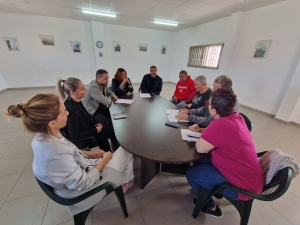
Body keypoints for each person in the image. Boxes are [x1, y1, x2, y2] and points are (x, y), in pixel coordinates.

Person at [6, 93, 135, 216]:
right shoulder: (55, 153)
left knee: (122, 151)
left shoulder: (42, 137)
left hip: (81, 170)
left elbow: (68, 150)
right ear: (52, 123)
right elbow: (84, 182)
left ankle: (125, 179)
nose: (68, 113)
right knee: (128, 149)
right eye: (64, 112)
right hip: (82, 192)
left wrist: (89, 153)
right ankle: (126, 181)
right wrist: (104, 160)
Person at [186, 88, 264, 218]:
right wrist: (202, 130)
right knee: (201, 161)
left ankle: (210, 206)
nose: (207, 105)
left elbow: (200, 148)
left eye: (208, 103)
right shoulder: (237, 117)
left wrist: (203, 132)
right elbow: (223, 136)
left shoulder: (219, 124)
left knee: (191, 172)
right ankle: (207, 187)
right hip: (251, 179)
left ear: (214, 110)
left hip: (243, 189)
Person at [57, 78, 111, 151]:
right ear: (72, 92)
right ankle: (108, 155)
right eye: (82, 89)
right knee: (111, 131)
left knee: (110, 126)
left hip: (88, 129)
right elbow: (74, 135)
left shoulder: (77, 101)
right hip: (85, 140)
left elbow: (87, 116)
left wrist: (96, 124)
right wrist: (95, 130)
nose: (85, 90)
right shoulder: (71, 110)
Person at [82, 69, 119, 150]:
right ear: (98, 79)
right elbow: (106, 102)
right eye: (105, 79)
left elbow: (110, 92)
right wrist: (111, 98)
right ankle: (113, 146)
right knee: (111, 125)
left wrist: (112, 96)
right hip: (92, 113)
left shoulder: (102, 85)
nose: (107, 81)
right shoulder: (93, 88)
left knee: (116, 116)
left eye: (108, 78)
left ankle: (115, 141)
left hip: (99, 108)